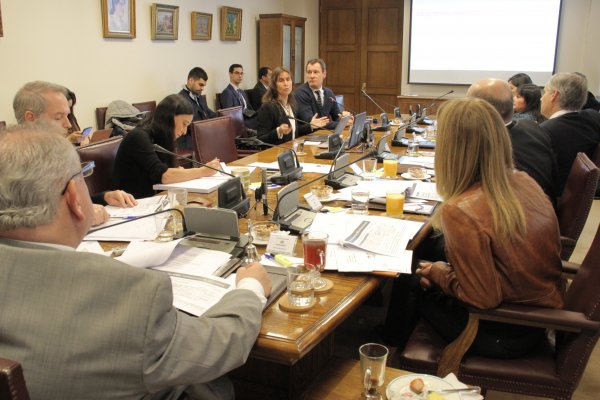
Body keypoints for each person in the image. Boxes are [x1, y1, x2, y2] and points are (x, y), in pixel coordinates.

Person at [0, 123, 272, 399]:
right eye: (84, 176)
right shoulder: (127, 294)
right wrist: (250, 288)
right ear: (74, 197)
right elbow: (218, 346)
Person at [388, 98, 565, 358]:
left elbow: (483, 299)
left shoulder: (461, 210)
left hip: (498, 330)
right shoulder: (522, 179)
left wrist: (439, 273)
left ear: (450, 150)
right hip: (536, 318)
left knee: (409, 278)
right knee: (424, 260)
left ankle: (390, 355)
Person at [12, 81, 137, 225]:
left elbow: (68, 203)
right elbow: (20, 223)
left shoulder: (56, 154)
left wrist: (104, 197)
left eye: (67, 116)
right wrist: (77, 215)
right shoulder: (12, 166)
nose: (68, 124)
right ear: (30, 118)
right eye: (58, 117)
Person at [467, 79, 557, 206]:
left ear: (478, 110)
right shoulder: (534, 127)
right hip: (546, 210)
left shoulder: (490, 144)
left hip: (518, 217)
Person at [114, 94, 221, 198]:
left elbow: (168, 171)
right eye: (184, 124)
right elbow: (164, 176)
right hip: (134, 206)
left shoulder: (163, 138)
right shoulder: (138, 137)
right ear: (168, 118)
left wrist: (178, 172)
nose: (184, 131)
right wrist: (203, 171)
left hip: (156, 199)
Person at [540, 72, 600, 196]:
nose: (541, 98)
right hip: (581, 196)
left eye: (544, 92)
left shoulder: (543, 132)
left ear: (554, 95)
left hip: (553, 199)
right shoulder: (594, 117)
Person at [257, 67, 329, 145]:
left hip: (291, 150)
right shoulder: (268, 107)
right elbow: (261, 139)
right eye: (281, 80)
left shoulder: (292, 105)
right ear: (274, 85)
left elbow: (295, 131)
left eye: (288, 79)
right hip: (276, 154)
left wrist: (311, 126)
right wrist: (278, 131)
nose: (286, 84)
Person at [294, 58, 352, 130]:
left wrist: (345, 119)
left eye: (315, 72)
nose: (312, 76)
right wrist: (342, 124)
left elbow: (336, 116)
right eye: (309, 72)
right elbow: (314, 123)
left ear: (324, 74)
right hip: (307, 137)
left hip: (324, 134)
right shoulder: (300, 93)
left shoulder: (329, 93)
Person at [178, 67, 218, 150]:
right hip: (190, 139)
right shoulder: (180, 99)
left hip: (203, 134)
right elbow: (187, 126)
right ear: (191, 81)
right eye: (200, 84)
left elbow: (209, 113)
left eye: (204, 85)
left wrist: (222, 118)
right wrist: (207, 127)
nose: (203, 88)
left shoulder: (199, 97)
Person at [220, 64, 258, 130]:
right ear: (230, 74)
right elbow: (229, 114)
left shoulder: (242, 91)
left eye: (241, 73)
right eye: (237, 73)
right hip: (241, 123)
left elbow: (250, 108)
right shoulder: (227, 92)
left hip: (250, 118)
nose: (240, 76)